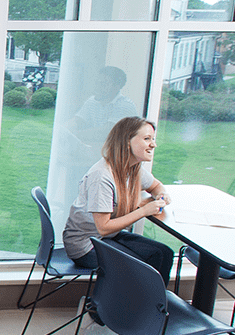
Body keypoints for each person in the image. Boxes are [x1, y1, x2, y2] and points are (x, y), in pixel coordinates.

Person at [60, 116, 174, 283]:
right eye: (147, 139)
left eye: (153, 139)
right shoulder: (102, 177)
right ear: (127, 141)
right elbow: (104, 228)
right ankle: (126, 306)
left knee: (164, 253)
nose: (153, 144)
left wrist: (161, 195)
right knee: (145, 266)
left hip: (107, 237)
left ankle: (154, 306)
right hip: (85, 245)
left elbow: (155, 186)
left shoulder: (132, 168)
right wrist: (144, 211)